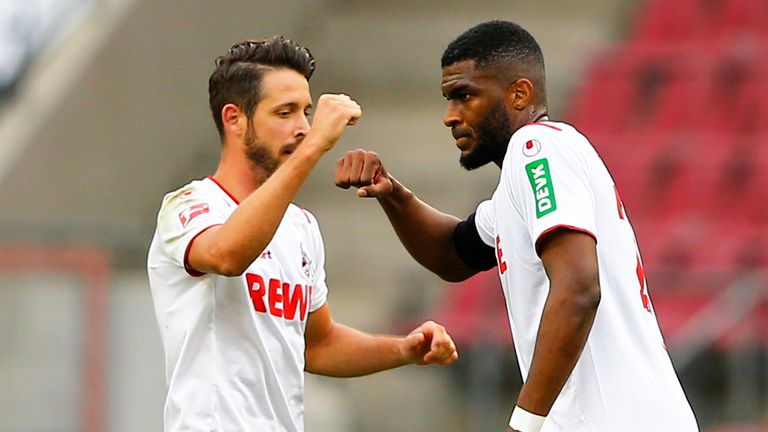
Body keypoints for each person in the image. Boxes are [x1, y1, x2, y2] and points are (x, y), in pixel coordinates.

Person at [335, 21, 698, 432]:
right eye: (448, 99)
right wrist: (392, 193)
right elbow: (453, 253)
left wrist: (523, 425)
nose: (450, 116)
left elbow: (579, 288)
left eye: (464, 96)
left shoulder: (538, 149)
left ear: (519, 94)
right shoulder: (523, 177)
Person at [146, 36, 458, 432]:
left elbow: (318, 344)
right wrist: (314, 148)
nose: (303, 128)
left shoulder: (301, 226)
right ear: (234, 119)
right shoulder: (189, 205)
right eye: (285, 112)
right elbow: (227, 255)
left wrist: (403, 349)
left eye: (307, 112)